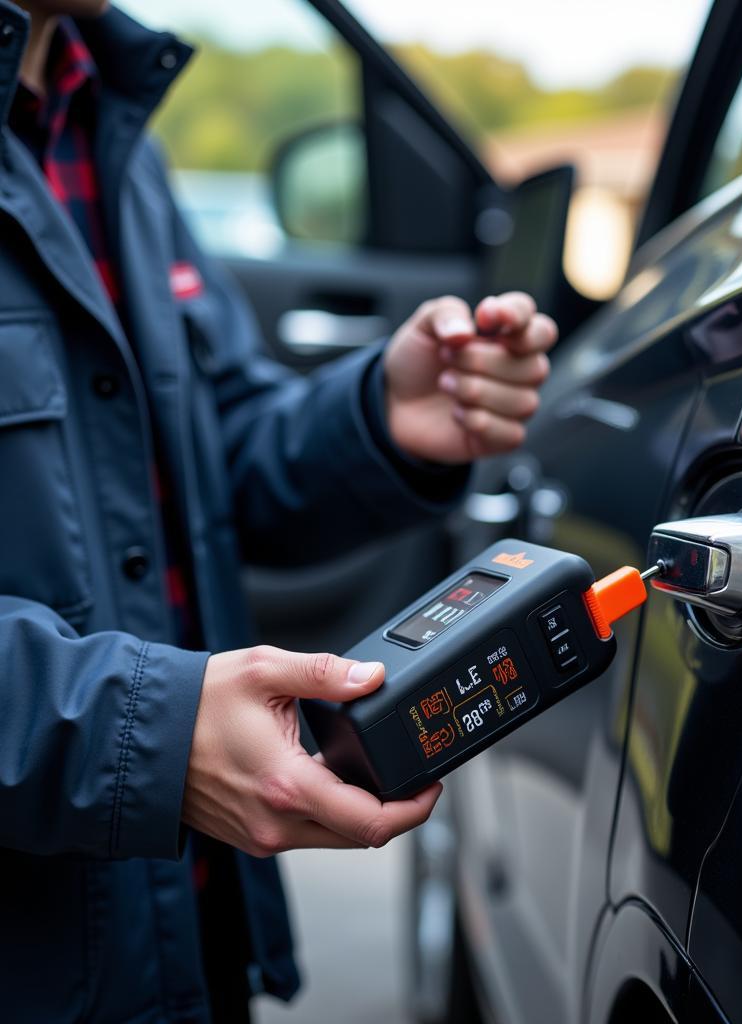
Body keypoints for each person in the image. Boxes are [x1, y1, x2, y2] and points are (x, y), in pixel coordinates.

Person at [0, 2, 557, 1021]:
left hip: (177, 953)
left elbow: (207, 461)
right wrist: (143, 737)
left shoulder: (105, 119)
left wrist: (383, 416)